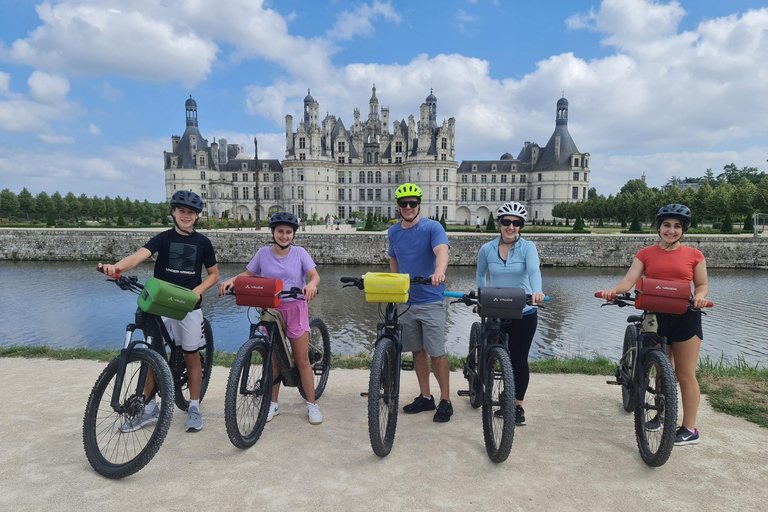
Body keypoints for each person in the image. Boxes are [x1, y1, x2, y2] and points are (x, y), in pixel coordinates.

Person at [99, 190, 219, 432]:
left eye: (191, 213)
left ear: (196, 217)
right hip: (162, 304)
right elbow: (136, 258)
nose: (186, 216)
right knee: (154, 357)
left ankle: (193, 406)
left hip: (188, 306)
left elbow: (213, 275)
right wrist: (116, 267)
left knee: (191, 356)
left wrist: (197, 291)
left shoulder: (203, 243)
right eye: (182, 211)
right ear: (173, 212)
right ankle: (150, 409)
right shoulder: (162, 239)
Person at [598, 204, 709, 446]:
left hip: (685, 316)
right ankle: (661, 414)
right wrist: (612, 291)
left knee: (685, 373)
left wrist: (700, 296)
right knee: (660, 369)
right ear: (659, 227)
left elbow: (701, 285)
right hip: (655, 316)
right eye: (667, 225)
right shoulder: (645, 253)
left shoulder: (694, 255)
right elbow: (628, 281)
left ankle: (689, 429)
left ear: (684, 230)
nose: (671, 230)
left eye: (677, 226)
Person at [218, 211, 323, 425]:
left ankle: (312, 404)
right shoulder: (263, 253)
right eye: (280, 232)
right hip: (270, 310)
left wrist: (311, 285)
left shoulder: (300, 253)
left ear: (293, 234)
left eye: (288, 232)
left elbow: (314, 275)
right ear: (273, 232)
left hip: (295, 309)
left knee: (301, 360)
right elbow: (249, 274)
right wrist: (231, 280)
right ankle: (273, 403)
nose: (284, 236)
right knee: (273, 360)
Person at [476, 201, 545, 426]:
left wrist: (537, 291)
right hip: (495, 310)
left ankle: (517, 406)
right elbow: (480, 276)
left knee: (518, 359)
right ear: (499, 223)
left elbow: (534, 271)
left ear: (521, 226)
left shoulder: (528, 248)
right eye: (507, 222)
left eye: (516, 223)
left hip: (523, 311)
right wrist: (479, 299)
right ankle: (483, 385)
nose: (511, 227)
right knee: (490, 354)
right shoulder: (487, 249)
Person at [388, 183, 452, 422]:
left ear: (419, 205)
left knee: (437, 353)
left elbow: (442, 251)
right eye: (403, 204)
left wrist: (438, 272)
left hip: (431, 299)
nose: (408, 207)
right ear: (398, 206)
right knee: (417, 352)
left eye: (412, 203)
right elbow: (394, 260)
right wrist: (394, 286)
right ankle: (426, 397)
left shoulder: (432, 227)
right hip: (407, 302)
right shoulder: (393, 232)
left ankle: (445, 400)